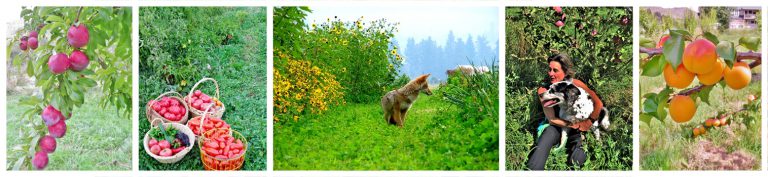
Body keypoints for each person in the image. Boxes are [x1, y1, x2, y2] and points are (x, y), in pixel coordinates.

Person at [526, 54, 604, 170]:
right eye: (549, 69)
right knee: (545, 139)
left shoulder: (576, 84)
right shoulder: (544, 91)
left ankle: (576, 158)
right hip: (556, 126)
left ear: (565, 71)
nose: (550, 73)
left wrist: (589, 122)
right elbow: (552, 119)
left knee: (577, 159)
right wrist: (575, 125)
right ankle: (533, 169)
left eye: (555, 70)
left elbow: (598, 103)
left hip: (579, 126)